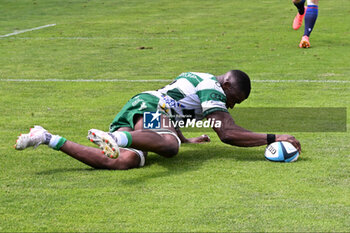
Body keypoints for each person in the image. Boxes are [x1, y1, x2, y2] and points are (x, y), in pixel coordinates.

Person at [15, 70, 301, 170]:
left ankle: (46, 137)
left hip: (143, 105)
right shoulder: (212, 88)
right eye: (233, 99)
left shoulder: (201, 84)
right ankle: (114, 137)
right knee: (169, 146)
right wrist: (275, 138)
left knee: (124, 161)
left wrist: (186, 136)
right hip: (150, 106)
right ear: (226, 85)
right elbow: (227, 134)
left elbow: (173, 105)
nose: (231, 106)